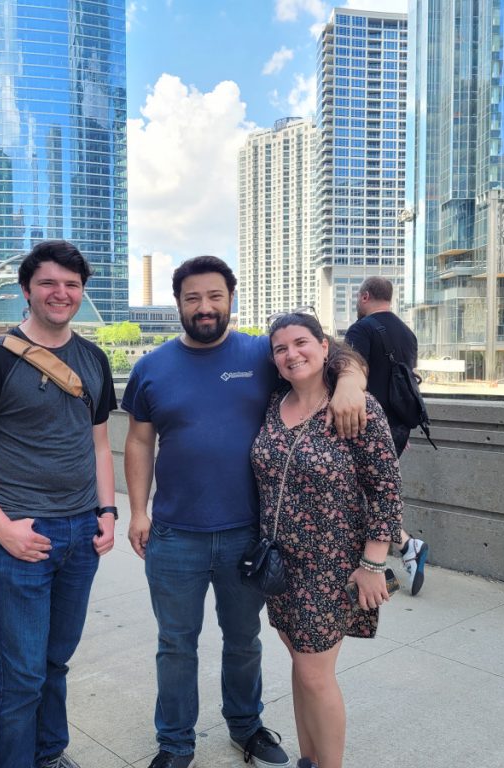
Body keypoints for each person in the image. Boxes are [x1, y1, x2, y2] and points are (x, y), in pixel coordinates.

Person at [122, 256, 368, 768]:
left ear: (231, 298)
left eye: (214, 296)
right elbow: (140, 442)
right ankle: (175, 743)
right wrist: (138, 512)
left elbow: (329, 352)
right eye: (193, 298)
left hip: (246, 535)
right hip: (173, 534)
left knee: (243, 641)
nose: (204, 307)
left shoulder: (260, 353)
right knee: (175, 645)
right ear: (179, 304)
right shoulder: (151, 368)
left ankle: (246, 726)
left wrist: (351, 383)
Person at [0, 240, 117, 768]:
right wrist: (4, 530)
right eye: (48, 283)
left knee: (55, 661)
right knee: (20, 675)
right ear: (27, 291)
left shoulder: (93, 357)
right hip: (24, 535)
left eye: (71, 285)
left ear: (81, 293)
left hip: (81, 535)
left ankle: (49, 754)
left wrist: (108, 512)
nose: (60, 293)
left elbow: (98, 443)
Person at [253, 312, 402, 768]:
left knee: (316, 675)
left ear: (323, 346)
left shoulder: (354, 407)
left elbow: (385, 486)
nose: (292, 354)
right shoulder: (274, 402)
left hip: (329, 565)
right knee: (301, 669)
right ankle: (308, 759)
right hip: (280, 564)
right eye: (281, 348)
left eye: (301, 343)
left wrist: (373, 563)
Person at [345, 277, 430, 596]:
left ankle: (397, 555)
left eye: (357, 297)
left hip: (365, 428)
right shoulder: (407, 334)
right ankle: (406, 548)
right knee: (371, 494)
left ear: (364, 296)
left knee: (358, 496)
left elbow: (349, 378)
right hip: (398, 428)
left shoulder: (362, 330)